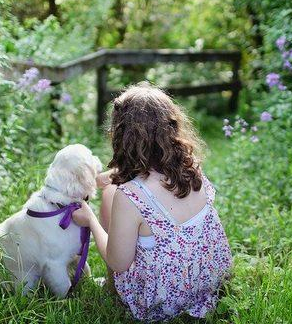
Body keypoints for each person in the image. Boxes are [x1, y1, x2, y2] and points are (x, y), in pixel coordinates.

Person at [71, 82, 232, 322]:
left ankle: (113, 288)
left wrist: (91, 220)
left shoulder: (129, 196)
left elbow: (119, 262)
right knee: (112, 190)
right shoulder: (191, 168)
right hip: (208, 281)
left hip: (162, 299)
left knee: (110, 195)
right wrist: (105, 178)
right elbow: (148, 182)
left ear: (123, 135)